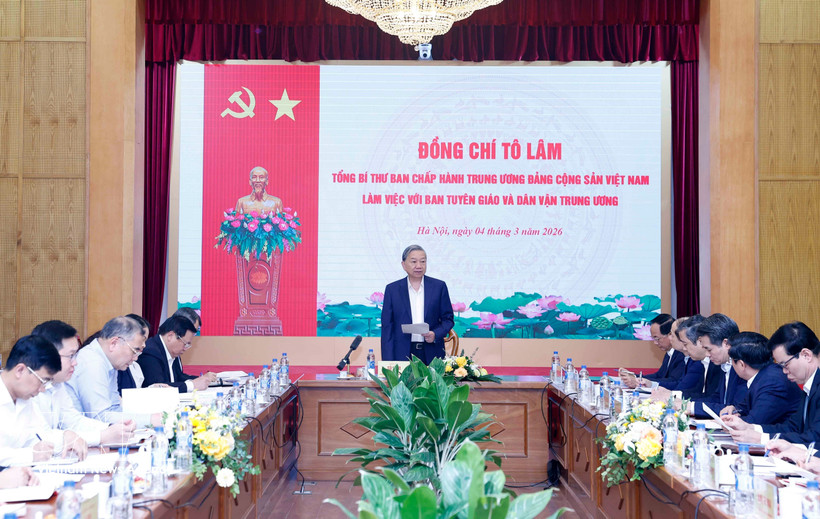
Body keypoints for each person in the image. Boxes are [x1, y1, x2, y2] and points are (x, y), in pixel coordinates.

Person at [31, 320, 136, 447]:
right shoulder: (28, 387)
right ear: (47, 355)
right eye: (70, 356)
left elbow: (73, 420)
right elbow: (42, 437)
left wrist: (111, 428)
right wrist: (102, 436)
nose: (75, 362)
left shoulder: (57, 384)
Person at [724, 322, 820, 445]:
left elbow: (815, 439)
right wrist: (751, 428)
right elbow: (792, 427)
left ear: (806, 355)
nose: (784, 371)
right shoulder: (809, 385)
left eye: (785, 364)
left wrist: (761, 439)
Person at [0, 335, 87, 465]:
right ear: (20, 370)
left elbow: (38, 437)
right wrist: (30, 455)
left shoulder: (24, 399)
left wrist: (66, 437)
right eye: (43, 381)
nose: (42, 389)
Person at [64, 316, 159, 427]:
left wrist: (149, 417)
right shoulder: (92, 362)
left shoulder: (108, 362)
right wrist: (149, 420)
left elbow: (115, 408)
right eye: (135, 351)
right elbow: (100, 416)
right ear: (114, 343)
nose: (135, 358)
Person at [381, 245, 454, 364]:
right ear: (403, 265)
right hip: (402, 353)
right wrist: (388, 361)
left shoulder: (439, 287)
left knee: (432, 383)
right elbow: (387, 328)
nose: (419, 266)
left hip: (432, 353)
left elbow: (448, 319)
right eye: (414, 261)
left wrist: (435, 334)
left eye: (423, 261)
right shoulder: (392, 290)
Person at [722, 331, 802, 424]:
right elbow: (744, 407)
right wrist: (734, 409)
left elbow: (754, 422)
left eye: (731, 360)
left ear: (741, 364)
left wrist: (730, 421)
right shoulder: (763, 376)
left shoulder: (772, 382)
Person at [687, 313, 746, 417]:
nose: (707, 354)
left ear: (726, 343)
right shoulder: (724, 363)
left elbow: (735, 408)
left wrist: (690, 407)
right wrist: (687, 405)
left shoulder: (744, 367)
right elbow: (717, 398)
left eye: (709, 349)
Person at [137, 316, 216, 392]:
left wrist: (201, 380)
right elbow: (159, 388)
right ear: (170, 336)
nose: (185, 348)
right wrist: (192, 385)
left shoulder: (170, 351)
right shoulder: (150, 352)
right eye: (185, 343)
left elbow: (178, 378)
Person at [619, 314, 683, 389]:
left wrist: (641, 381)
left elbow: (672, 381)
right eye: (653, 338)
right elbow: (659, 375)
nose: (655, 343)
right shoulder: (669, 353)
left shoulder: (681, 354)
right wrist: (633, 376)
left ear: (670, 335)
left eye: (657, 338)